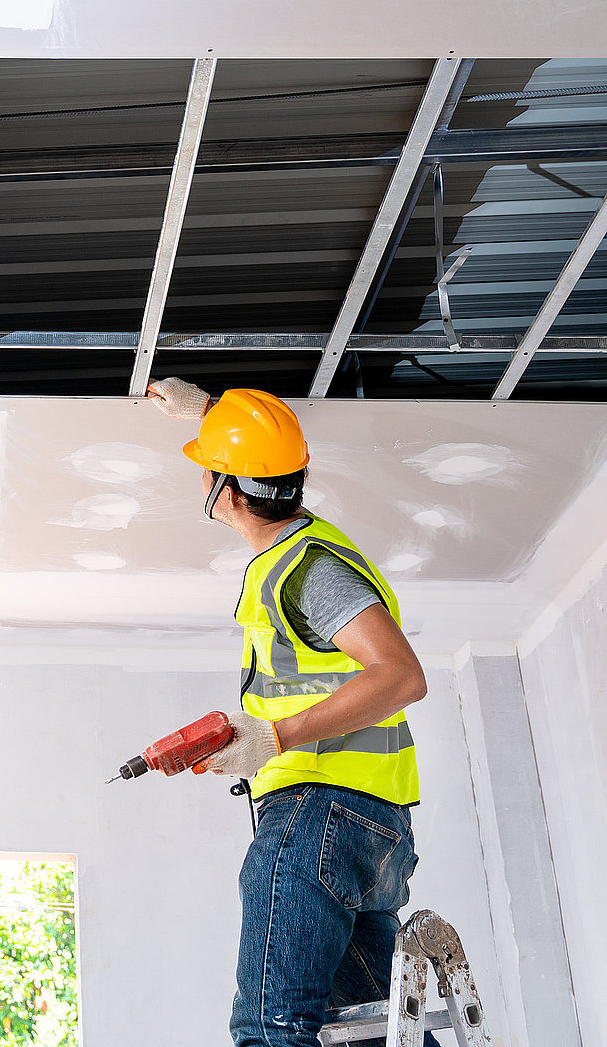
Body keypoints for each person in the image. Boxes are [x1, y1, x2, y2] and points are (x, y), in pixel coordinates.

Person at [148, 379, 436, 1047]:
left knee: (271, 1028)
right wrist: (211, 414)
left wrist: (275, 736)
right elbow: (261, 454)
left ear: (224, 489)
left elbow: (401, 675)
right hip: (369, 830)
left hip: (319, 820)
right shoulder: (304, 548)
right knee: (369, 1033)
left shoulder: (305, 570)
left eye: (207, 468)